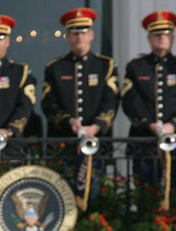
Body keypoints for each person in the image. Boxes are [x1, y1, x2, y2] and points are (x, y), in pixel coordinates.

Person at [121, 10, 176, 186]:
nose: (161, 38)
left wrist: (174, 125)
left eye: (166, 34)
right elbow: (130, 99)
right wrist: (148, 124)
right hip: (144, 143)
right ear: (149, 38)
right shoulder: (136, 66)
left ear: (172, 38)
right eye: (156, 35)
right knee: (145, 195)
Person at [42, 8, 119, 140]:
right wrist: (68, 121)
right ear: (68, 36)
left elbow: (111, 100)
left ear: (91, 35)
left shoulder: (105, 66)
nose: (79, 37)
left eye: (83, 33)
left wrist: (97, 126)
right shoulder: (55, 67)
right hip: (64, 141)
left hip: (98, 141)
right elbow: (48, 103)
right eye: (75, 33)